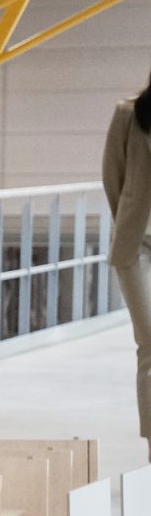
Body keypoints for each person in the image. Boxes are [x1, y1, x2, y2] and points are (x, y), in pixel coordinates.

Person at [106, 77, 151, 445]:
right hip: (137, 246)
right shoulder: (130, 113)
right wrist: (127, 222)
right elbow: (113, 177)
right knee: (150, 342)